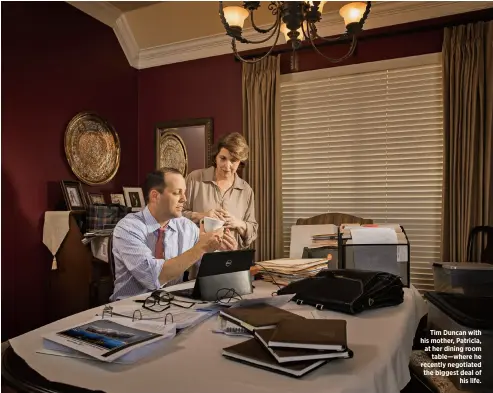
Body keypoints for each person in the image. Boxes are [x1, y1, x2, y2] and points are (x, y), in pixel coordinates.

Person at [110, 167, 238, 301]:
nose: (184, 199)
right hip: (127, 311)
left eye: (185, 193)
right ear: (155, 196)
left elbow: (212, 271)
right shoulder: (128, 228)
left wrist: (228, 256)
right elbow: (153, 278)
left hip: (172, 307)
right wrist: (201, 247)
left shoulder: (186, 227)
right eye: (177, 193)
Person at [183, 132, 258, 249]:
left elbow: (252, 232)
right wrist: (202, 215)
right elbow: (174, 216)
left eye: (233, 160)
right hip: (197, 259)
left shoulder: (246, 190)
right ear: (215, 157)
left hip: (231, 261)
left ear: (240, 162)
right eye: (222, 158)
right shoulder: (195, 179)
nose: (227, 166)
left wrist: (238, 223)